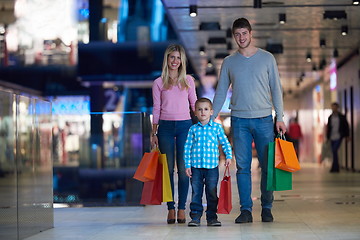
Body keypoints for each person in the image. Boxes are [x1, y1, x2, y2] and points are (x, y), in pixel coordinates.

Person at [212, 18, 286, 223]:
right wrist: (209, 119)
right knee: (242, 167)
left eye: (244, 33)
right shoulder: (229, 62)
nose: (241, 38)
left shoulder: (267, 58)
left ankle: (267, 207)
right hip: (239, 121)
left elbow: (276, 89)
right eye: (237, 34)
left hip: (264, 119)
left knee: (267, 166)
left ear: (251, 34)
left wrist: (280, 117)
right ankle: (245, 210)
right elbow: (220, 93)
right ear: (234, 36)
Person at [151, 44, 197, 224]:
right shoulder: (158, 83)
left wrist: (204, 124)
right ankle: (171, 208)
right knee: (168, 170)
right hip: (165, 128)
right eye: (172, 57)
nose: (175, 61)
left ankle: (182, 209)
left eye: (178, 58)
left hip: (185, 126)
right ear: (167, 59)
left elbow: (194, 104)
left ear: (182, 60)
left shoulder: (188, 80)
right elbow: (156, 108)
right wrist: (153, 132)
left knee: (184, 171)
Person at [184, 98, 232, 227]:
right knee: (196, 192)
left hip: (212, 167)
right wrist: (187, 165)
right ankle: (195, 216)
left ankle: (212, 217)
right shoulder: (193, 129)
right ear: (195, 113)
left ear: (211, 112)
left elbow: (225, 142)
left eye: (206, 109)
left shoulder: (216, 128)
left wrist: (228, 156)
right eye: (199, 109)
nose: (202, 112)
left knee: (211, 192)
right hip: (196, 167)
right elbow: (187, 148)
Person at [326, 102, 350, 173]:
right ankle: (335, 167)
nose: (334, 108)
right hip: (332, 137)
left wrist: (347, 136)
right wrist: (327, 137)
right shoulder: (330, 117)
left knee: (334, 150)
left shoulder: (342, 117)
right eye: (333, 107)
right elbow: (329, 128)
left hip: (339, 136)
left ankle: (335, 167)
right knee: (334, 151)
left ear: (337, 108)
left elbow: (346, 127)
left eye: (335, 107)